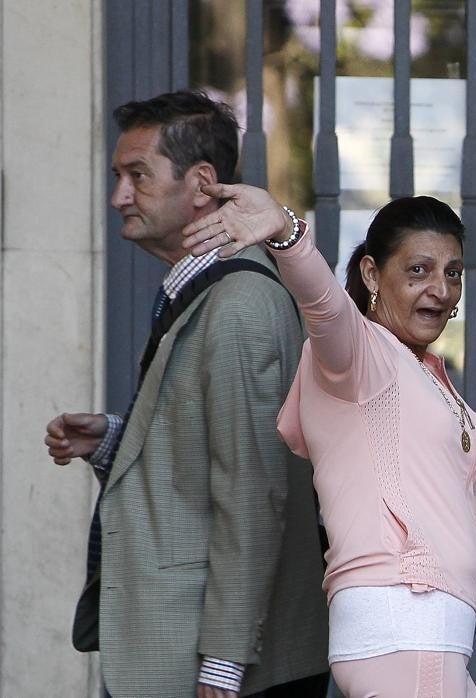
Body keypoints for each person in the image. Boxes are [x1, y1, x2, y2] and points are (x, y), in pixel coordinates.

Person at [179, 183, 476, 697]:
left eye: (453, 273)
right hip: (403, 628)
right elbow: (323, 304)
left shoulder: (429, 377)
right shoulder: (360, 356)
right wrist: (288, 233)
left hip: (426, 641)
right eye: (419, 270)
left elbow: (468, 512)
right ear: (371, 274)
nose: (441, 289)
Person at [43, 91, 329, 697]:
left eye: (137, 175)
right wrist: (116, 439)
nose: (118, 196)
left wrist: (222, 665)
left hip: (222, 671)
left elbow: (254, 491)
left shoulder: (238, 306)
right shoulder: (212, 291)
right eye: (118, 176)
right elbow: (209, 449)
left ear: (202, 184)